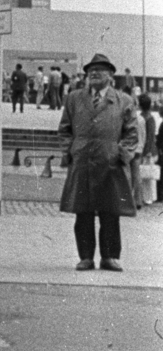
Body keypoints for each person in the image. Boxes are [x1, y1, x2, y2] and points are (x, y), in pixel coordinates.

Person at [58, 53, 139, 272]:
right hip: (82, 161)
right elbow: (65, 129)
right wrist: (70, 151)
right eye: (90, 70)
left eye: (100, 69)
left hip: (110, 163)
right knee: (82, 212)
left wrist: (121, 154)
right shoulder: (74, 98)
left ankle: (110, 257)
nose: (93, 73)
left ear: (111, 75)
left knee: (110, 212)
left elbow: (132, 134)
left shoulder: (124, 101)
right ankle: (85, 257)